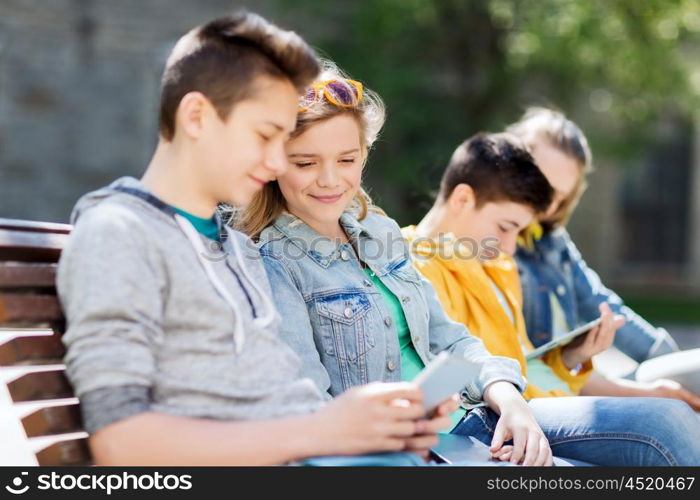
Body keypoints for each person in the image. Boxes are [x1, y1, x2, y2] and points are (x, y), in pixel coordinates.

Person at [239, 63, 696, 466]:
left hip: (476, 415)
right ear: (274, 161)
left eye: (347, 159)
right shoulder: (273, 262)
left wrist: (509, 399)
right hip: (416, 445)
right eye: (305, 162)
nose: (330, 180)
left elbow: (451, 337)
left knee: (668, 419)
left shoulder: (378, 234)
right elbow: (310, 408)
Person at [57, 11, 457, 467]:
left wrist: (382, 425)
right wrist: (325, 431)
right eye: (265, 136)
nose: (275, 164)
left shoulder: (237, 249)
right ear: (196, 116)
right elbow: (121, 445)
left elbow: (286, 403)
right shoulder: (120, 232)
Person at [402, 131, 700, 465]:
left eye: (518, 231)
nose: (511, 246)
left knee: (673, 414)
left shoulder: (496, 265)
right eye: (505, 227)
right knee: (666, 421)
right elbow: (464, 370)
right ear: (461, 200)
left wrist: (570, 356)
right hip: (492, 413)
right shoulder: (413, 267)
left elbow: (517, 358)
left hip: (529, 401)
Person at [507, 107, 700, 407]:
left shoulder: (551, 241)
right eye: (540, 183)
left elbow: (604, 305)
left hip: (576, 382)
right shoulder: (490, 248)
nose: (547, 202)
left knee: (690, 375)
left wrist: (667, 359)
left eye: (559, 195)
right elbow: (531, 370)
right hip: (550, 398)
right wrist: (652, 390)